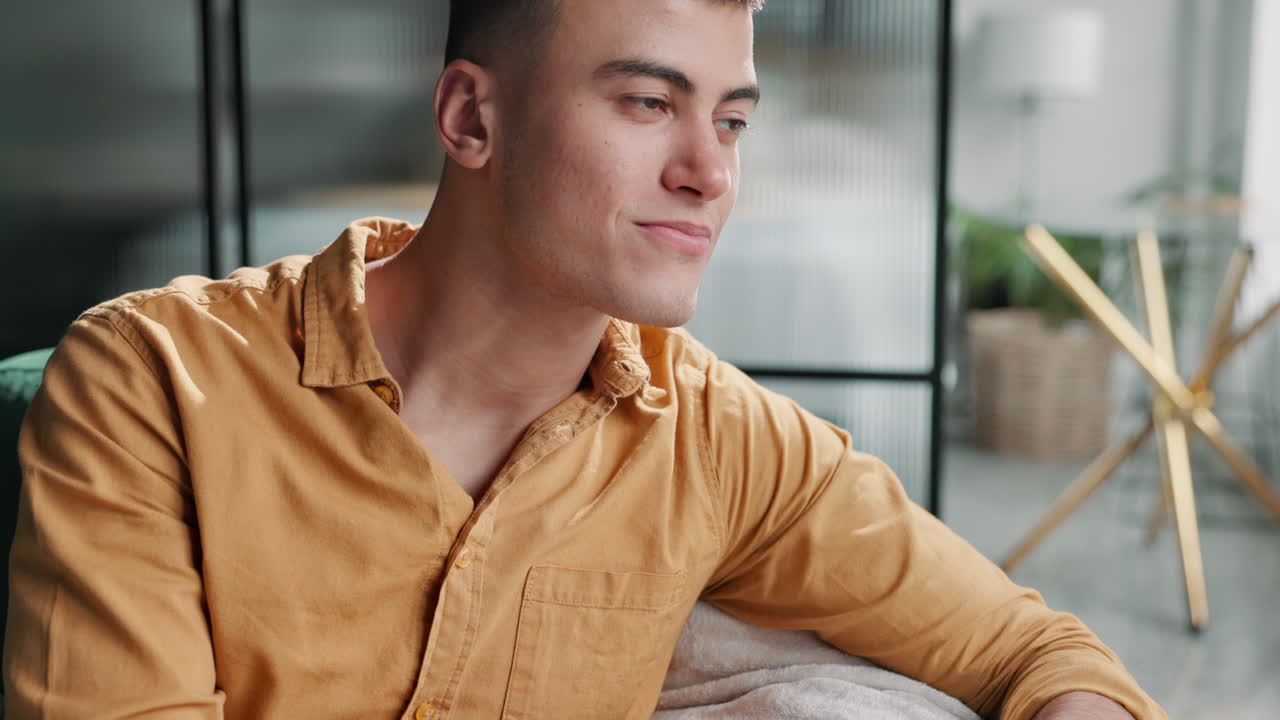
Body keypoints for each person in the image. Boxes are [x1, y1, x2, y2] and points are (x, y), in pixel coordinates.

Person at [4, 1, 1165, 718]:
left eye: (732, 120)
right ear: (469, 121)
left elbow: (1033, 649)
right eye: (648, 101)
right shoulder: (151, 381)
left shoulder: (715, 438)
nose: (708, 173)